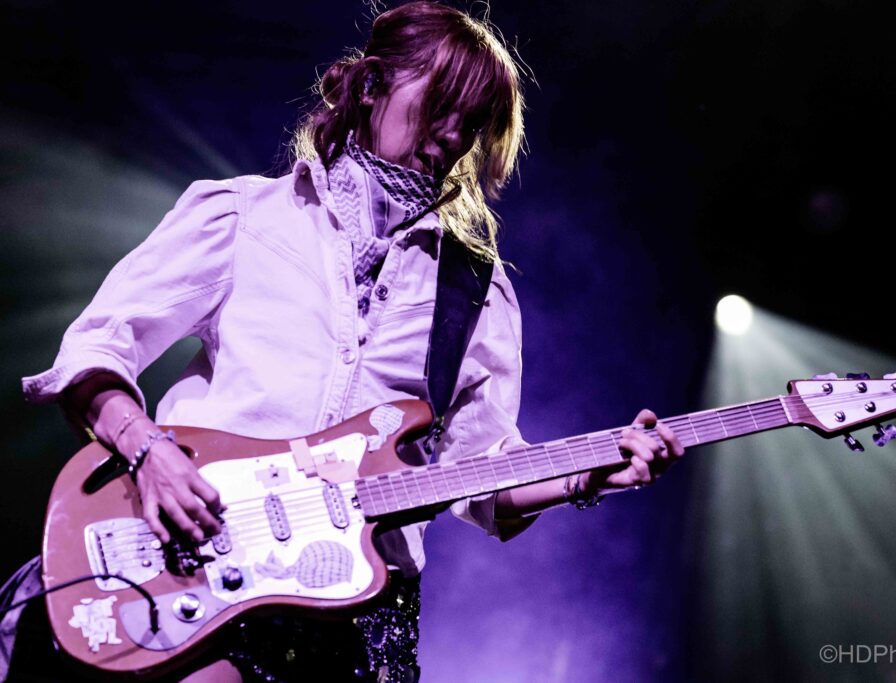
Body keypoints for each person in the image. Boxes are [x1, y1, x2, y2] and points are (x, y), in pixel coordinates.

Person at [12, 2, 684, 681]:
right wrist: (148, 452)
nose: (454, 136)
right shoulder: (245, 216)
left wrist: (586, 475)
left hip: (359, 612)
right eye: (441, 106)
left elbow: (483, 480)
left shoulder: (475, 290)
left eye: (474, 122)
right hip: (208, 558)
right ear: (370, 85)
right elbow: (94, 350)